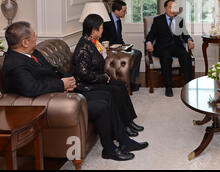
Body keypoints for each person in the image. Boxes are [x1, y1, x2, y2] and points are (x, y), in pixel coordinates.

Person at [2, 22, 145, 161]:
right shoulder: (14, 64)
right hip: (53, 103)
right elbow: (31, 88)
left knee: (107, 95)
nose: (36, 37)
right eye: (34, 35)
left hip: (62, 91)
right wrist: (60, 85)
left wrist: (68, 81)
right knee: (101, 105)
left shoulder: (33, 53)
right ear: (25, 42)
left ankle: (123, 139)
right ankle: (109, 149)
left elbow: (53, 69)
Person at [72, 14, 147, 140]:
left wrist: (103, 75)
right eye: (101, 28)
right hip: (86, 85)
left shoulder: (92, 42)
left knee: (121, 85)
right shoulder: (83, 47)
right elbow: (83, 74)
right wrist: (103, 77)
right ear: (94, 31)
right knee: (115, 89)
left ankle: (128, 122)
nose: (103, 30)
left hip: (95, 79)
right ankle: (124, 125)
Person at [145, 0, 195, 97]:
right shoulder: (158, 20)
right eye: (170, 7)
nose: (172, 10)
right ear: (165, 8)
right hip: (162, 47)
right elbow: (151, 34)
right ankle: (168, 86)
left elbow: (185, 34)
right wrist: (149, 42)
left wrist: (189, 40)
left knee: (185, 56)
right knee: (166, 56)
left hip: (176, 46)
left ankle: (188, 85)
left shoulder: (179, 20)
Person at [100, 0, 142, 92]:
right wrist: (116, 46)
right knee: (133, 55)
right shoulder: (106, 21)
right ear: (116, 11)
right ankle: (129, 83)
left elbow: (119, 37)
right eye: (124, 10)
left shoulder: (118, 21)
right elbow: (103, 40)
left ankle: (131, 81)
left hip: (119, 47)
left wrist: (125, 46)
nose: (126, 13)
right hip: (111, 50)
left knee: (137, 53)